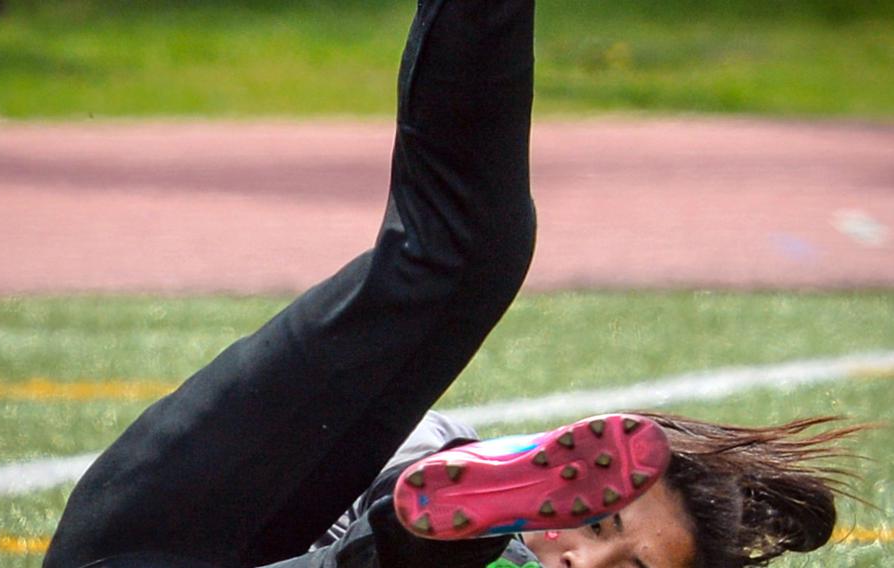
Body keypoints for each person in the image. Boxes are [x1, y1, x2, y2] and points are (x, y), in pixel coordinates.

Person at [44, 1, 860, 567]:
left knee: (415, 540)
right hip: (154, 535)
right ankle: (436, 534)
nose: (584, 560)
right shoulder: (435, 448)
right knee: (465, 259)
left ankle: (417, 545)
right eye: (604, 522)